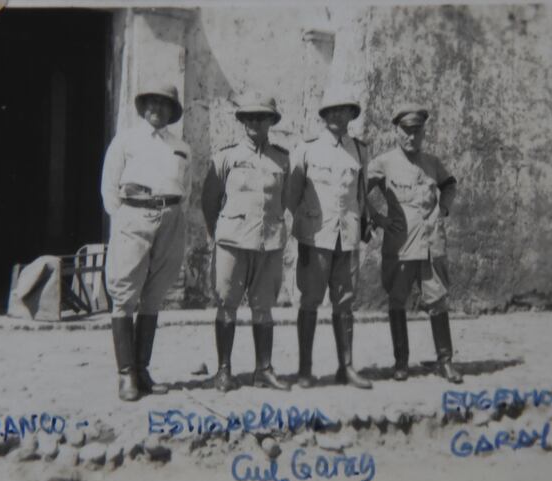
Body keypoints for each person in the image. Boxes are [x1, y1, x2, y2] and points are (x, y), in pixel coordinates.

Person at [100, 82, 191, 401]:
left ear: (172, 111)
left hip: (170, 218)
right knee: (124, 293)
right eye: (152, 102)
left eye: (164, 104)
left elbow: (186, 187)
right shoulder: (126, 140)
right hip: (134, 217)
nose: (157, 108)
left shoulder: (181, 146)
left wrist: (172, 214)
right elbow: (109, 187)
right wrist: (124, 220)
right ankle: (126, 374)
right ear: (143, 106)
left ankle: (142, 370)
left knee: (154, 294)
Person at [366, 105, 463, 384]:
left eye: (416, 130)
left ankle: (445, 362)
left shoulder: (432, 162)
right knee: (397, 300)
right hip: (401, 244)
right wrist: (377, 217)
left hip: (431, 243)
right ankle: (401, 363)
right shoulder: (383, 162)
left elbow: (450, 184)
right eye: (406, 131)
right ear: (396, 131)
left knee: (438, 300)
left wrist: (443, 209)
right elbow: (359, 191)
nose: (411, 136)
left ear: (423, 132)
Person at [201, 95, 291, 392]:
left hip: (268, 243)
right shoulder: (225, 157)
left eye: (262, 117)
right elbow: (210, 201)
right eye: (250, 117)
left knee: (263, 308)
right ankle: (224, 370)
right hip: (233, 242)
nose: (255, 122)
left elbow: (287, 199)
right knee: (227, 305)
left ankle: (263, 369)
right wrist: (221, 233)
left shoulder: (282, 159)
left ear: (271, 122)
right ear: (242, 122)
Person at [287, 92, 373, 390]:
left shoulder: (359, 151)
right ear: (324, 116)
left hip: (347, 238)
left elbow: (361, 195)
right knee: (309, 301)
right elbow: (291, 196)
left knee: (345, 304)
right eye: (332, 112)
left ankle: (345, 367)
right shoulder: (307, 150)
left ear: (352, 115)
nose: (338, 117)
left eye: (344, 111)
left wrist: (364, 225)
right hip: (316, 237)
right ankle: (305, 369)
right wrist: (300, 232)